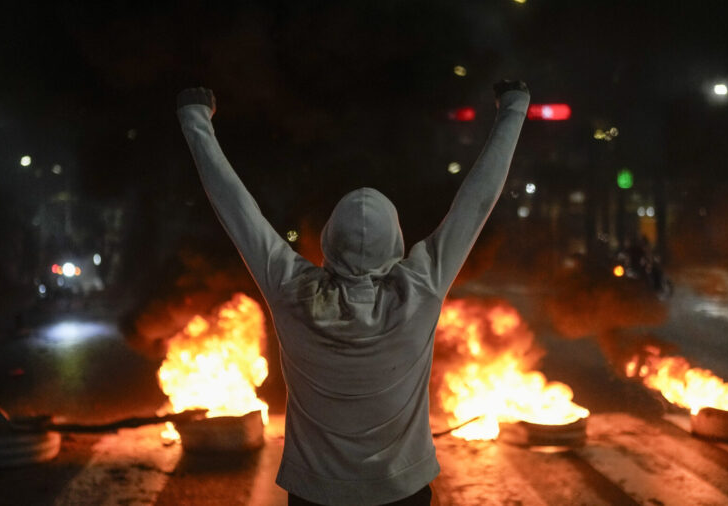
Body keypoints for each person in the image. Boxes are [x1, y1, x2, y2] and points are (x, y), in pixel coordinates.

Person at [176, 80, 530, 506]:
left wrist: (196, 119)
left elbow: (237, 208)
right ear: (395, 240)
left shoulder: (292, 290)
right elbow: (476, 201)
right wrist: (513, 109)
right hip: (402, 492)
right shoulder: (419, 288)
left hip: (314, 496)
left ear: (329, 239)